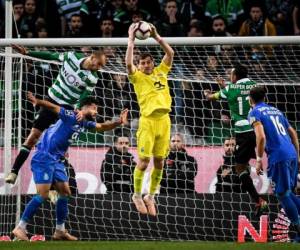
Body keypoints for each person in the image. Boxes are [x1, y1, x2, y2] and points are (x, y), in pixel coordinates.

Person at [12, 92, 128, 241]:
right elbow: (54, 107)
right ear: (85, 107)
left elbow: (102, 127)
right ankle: (20, 227)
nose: (96, 111)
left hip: (58, 160)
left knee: (65, 192)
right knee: (42, 194)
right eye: (94, 108)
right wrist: (38, 102)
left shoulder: (85, 122)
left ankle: (60, 230)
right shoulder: (71, 114)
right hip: (44, 157)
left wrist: (119, 122)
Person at [5, 45, 107, 185]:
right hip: (51, 100)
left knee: (57, 147)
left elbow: (84, 96)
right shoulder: (71, 56)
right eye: (99, 64)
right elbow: (51, 56)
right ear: (92, 57)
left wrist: (78, 109)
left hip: (66, 108)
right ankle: (14, 171)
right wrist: (28, 52)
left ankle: (54, 185)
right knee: (33, 137)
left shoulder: (92, 78)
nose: (99, 67)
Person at [204, 64, 267, 216]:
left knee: (239, 168)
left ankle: (258, 200)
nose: (230, 76)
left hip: (243, 132)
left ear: (235, 76)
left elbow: (212, 97)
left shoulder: (229, 89)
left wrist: (207, 94)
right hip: (259, 129)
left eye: (231, 74)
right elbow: (242, 93)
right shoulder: (255, 86)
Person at [125, 23, 174, 216]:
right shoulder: (136, 77)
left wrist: (157, 36)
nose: (146, 65)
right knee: (144, 161)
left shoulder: (161, 71)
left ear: (153, 63)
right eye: (142, 63)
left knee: (160, 162)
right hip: (147, 122)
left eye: (148, 62)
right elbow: (128, 64)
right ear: (139, 66)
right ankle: (137, 195)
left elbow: (170, 54)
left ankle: (151, 196)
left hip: (165, 121)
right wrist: (131, 39)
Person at [248, 86, 300, 242]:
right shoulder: (276, 111)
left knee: (282, 194)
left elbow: (261, 137)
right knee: (289, 192)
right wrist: (297, 155)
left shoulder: (254, 112)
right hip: (291, 153)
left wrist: (258, 160)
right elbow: (293, 133)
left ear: (251, 99)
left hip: (279, 156)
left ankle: (299, 228)